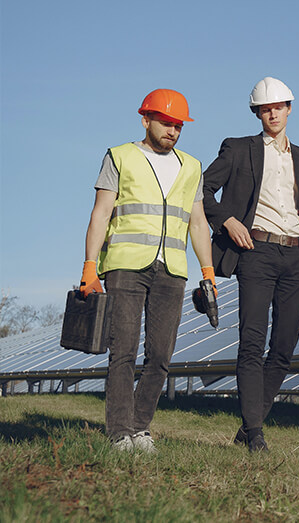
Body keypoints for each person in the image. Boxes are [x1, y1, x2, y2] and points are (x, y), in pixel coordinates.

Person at [80, 88, 215, 453]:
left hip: (172, 269)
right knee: (122, 350)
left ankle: (140, 428)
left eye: (178, 126)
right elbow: (100, 213)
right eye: (166, 123)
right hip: (125, 265)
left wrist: (208, 271)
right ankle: (119, 432)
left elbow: (198, 223)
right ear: (146, 120)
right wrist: (89, 266)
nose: (173, 131)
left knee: (160, 356)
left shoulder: (192, 167)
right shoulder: (120, 156)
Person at [203, 76, 299, 452]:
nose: (272, 114)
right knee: (252, 342)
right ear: (257, 113)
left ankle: (250, 423)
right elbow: (202, 188)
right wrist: (227, 220)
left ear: (289, 109)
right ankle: (255, 432)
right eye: (265, 109)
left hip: (298, 256)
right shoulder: (238, 149)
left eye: (278, 107)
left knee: (285, 345)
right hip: (255, 252)